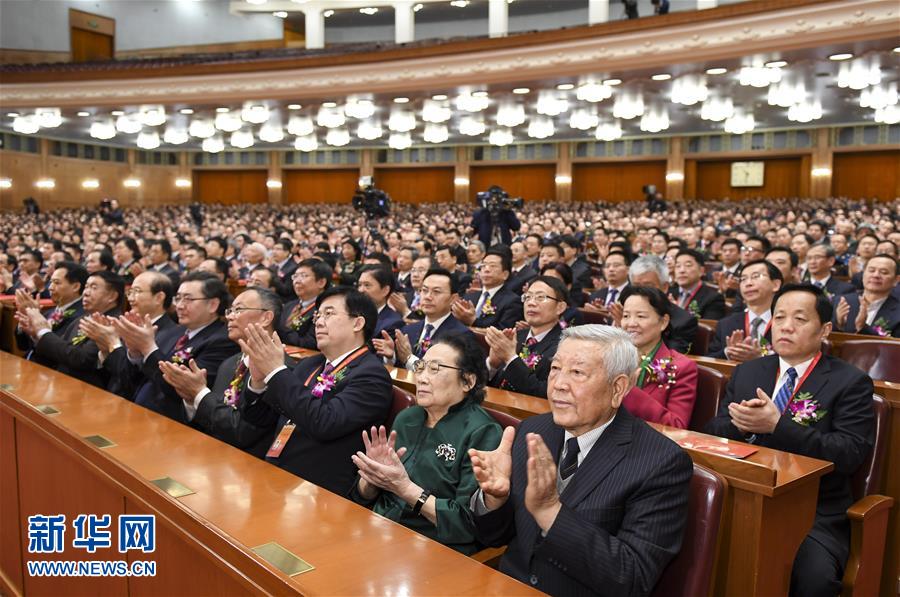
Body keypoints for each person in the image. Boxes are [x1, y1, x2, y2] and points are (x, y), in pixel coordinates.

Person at [469, 325, 693, 595]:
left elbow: (632, 576)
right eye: (555, 369)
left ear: (618, 388)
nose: (559, 384)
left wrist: (550, 512)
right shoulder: (533, 431)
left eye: (577, 373)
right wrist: (495, 499)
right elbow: (494, 536)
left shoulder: (661, 462)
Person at [705, 284, 875, 596]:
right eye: (779, 316)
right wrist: (740, 426)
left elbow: (849, 454)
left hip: (813, 509)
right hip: (744, 496)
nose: (785, 326)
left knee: (813, 578)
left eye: (799, 318)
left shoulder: (850, 382)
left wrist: (777, 426)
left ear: (824, 329)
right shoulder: (748, 372)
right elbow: (713, 432)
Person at [349, 334, 502, 555]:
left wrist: (405, 489)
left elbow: (467, 524)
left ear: (468, 381)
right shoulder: (407, 418)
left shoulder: (482, 432)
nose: (421, 377)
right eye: (420, 367)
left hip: (431, 547)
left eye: (435, 369)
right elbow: (363, 497)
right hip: (376, 529)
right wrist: (371, 478)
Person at [241, 287, 394, 494]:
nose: (319, 322)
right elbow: (260, 419)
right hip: (276, 473)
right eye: (318, 315)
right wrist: (259, 382)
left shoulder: (372, 376)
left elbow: (325, 423)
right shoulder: (310, 364)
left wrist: (276, 372)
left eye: (329, 314)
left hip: (317, 489)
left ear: (358, 323)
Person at [160, 287, 294, 458]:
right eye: (230, 310)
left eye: (239, 310)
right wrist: (190, 399)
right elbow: (211, 419)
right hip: (210, 454)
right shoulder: (229, 363)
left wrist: (199, 393)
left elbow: (243, 432)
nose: (230, 316)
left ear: (266, 317)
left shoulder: (281, 370)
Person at [114, 271, 239, 423]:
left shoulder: (221, 342)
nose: (179, 306)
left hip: (171, 422)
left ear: (213, 305)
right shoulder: (175, 332)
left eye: (188, 299)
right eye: (178, 298)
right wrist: (135, 352)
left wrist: (148, 348)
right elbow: (142, 377)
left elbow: (180, 390)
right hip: (140, 411)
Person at [16, 270, 124, 388]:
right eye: (86, 287)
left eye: (93, 288)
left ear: (112, 296)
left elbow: (82, 360)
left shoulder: (113, 324)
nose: (86, 293)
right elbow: (59, 354)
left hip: (87, 391)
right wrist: (37, 334)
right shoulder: (82, 319)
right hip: (61, 383)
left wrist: (44, 332)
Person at [85, 271, 176, 399]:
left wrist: (114, 343)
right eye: (130, 292)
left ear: (159, 297)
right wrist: (105, 350)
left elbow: (140, 381)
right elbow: (116, 374)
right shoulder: (128, 324)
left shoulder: (173, 334)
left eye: (137, 291)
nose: (130, 298)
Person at [619, 286, 698, 429]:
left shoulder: (681, 367)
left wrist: (631, 391)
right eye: (626, 316)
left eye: (641, 316)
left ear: (663, 322)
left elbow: (676, 426)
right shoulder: (610, 358)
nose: (631, 323)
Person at [375, 268, 475, 370]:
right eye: (424, 290)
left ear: (453, 298)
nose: (428, 297)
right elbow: (400, 369)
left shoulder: (461, 335)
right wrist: (391, 357)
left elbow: (442, 374)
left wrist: (409, 359)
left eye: (436, 292)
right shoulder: (408, 330)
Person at [485, 276, 567, 398]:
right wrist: (493, 365)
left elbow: (545, 393)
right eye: (527, 297)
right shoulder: (515, 336)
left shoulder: (564, 346)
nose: (531, 303)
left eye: (540, 297)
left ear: (560, 307)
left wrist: (510, 358)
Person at [708, 260, 783, 361]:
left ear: (776, 285)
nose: (748, 283)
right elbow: (708, 360)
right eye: (743, 279)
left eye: (756, 276)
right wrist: (728, 352)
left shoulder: (787, 323)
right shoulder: (726, 324)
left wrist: (762, 357)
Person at [626, 255, 697, 355]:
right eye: (636, 287)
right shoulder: (623, 315)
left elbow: (669, 360)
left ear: (664, 287)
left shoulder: (683, 321)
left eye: (648, 287)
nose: (641, 293)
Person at [14, 260, 87, 357]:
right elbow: (23, 346)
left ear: (75, 286)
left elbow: (61, 353)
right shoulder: (49, 312)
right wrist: (26, 316)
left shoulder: (81, 317)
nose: (50, 288)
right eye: (51, 282)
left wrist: (37, 319)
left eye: (57, 283)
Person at [453, 248, 522, 330]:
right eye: (483, 266)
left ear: (505, 274)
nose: (487, 269)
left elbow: (502, 332)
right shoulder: (469, 296)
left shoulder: (512, 301)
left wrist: (473, 321)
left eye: (492, 266)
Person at [834, 254, 899, 337]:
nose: (876, 275)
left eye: (884, 272)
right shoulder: (841, 301)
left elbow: (894, 346)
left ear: (896, 280)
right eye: (871, 270)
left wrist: (862, 327)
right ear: (863, 274)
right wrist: (839, 325)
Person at [278, 258, 332, 349]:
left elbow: (311, 344)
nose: (297, 281)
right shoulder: (288, 306)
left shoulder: (326, 310)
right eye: (295, 276)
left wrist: (282, 331)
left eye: (303, 276)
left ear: (321, 282)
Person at [672, 249, 726, 320]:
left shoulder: (713, 299)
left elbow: (707, 329)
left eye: (688, 265)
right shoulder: (668, 294)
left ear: (701, 271)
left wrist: (677, 313)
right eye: (678, 266)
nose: (682, 270)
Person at [356, 264, 405, 338]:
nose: (361, 290)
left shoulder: (393, 323)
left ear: (385, 290)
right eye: (359, 285)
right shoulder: (351, 314)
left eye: (367, 285)